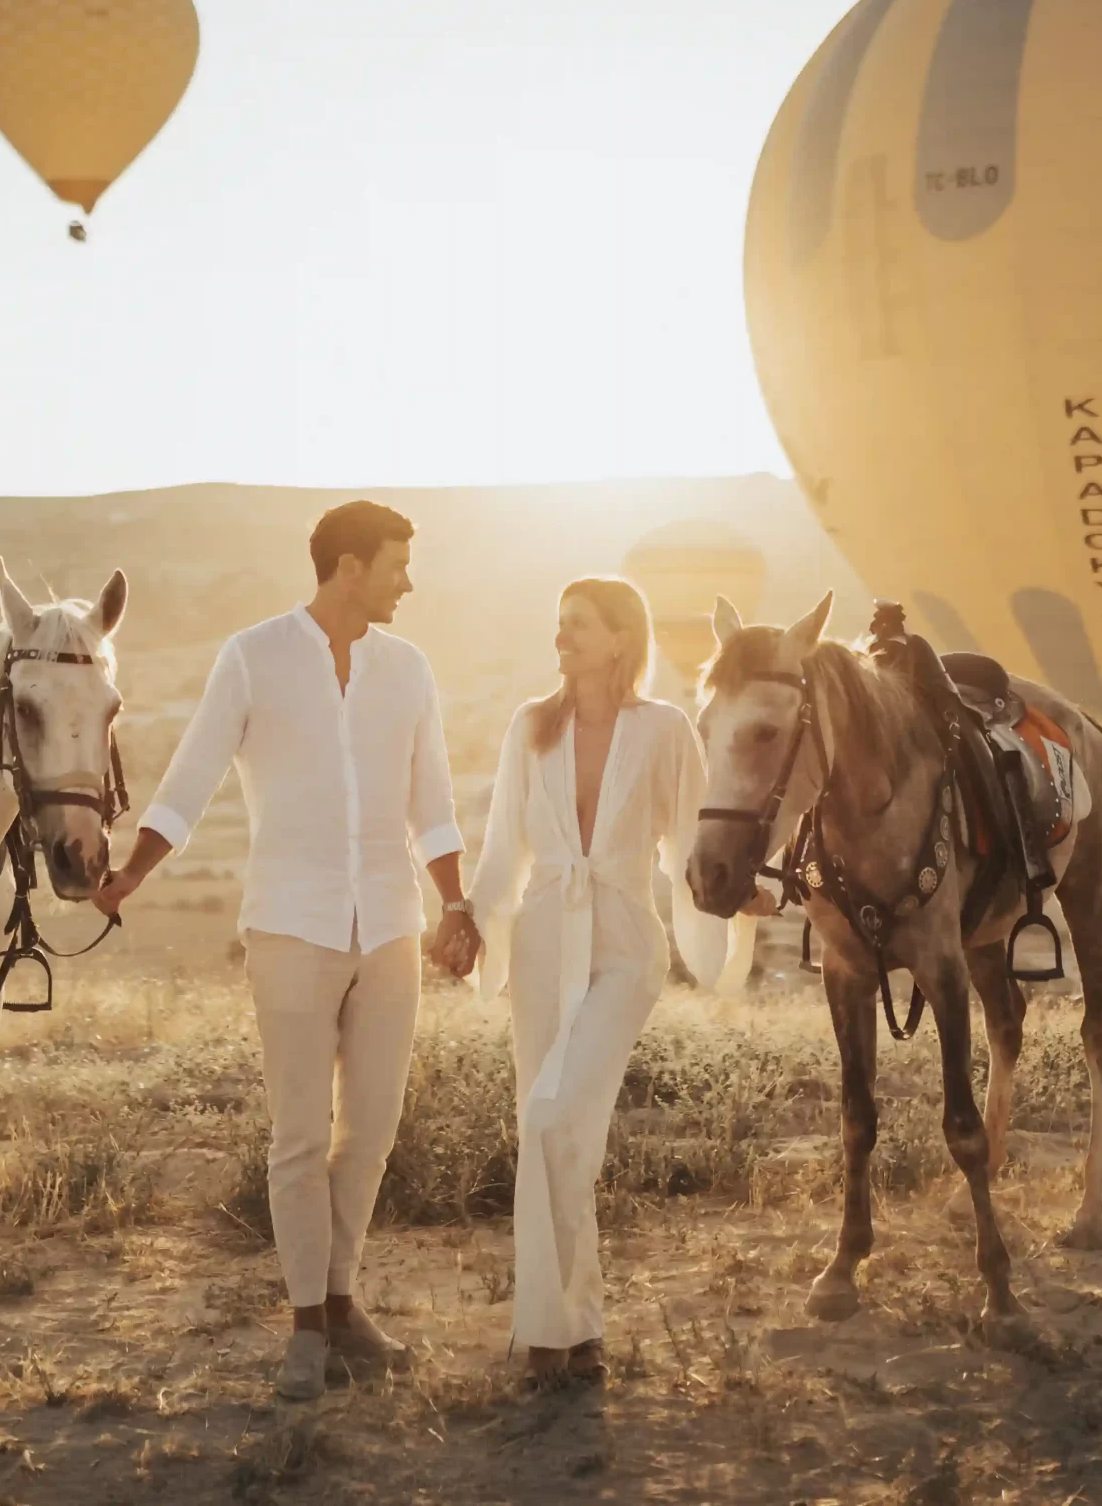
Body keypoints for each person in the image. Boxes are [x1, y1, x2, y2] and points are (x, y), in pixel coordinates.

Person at [94, 501, 474, 1400]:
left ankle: (342, 1302)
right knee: (300, 1133)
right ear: (349, 567)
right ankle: (308, 1324)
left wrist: (456, 900)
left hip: (387, 924)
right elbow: (188, 781)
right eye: (396, 565)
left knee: (371, 1131)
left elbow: (435, 804)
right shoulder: (252, 656)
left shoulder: (408, 669)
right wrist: (128, 878)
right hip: (290, 926)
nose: (408, 582)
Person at [427, 577, 739, 1386]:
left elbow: (694, 846)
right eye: (559, 623)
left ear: (620, 641)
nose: (561, 636)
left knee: (550, 1117)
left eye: (578, 625)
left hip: (626, 946)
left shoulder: (666, 731)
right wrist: (468, 916)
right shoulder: (530, 727)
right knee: (561, 1133)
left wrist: (744, 896)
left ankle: (545, 1333)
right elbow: (503, 848)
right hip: (538, 944)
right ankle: (575, 1330)